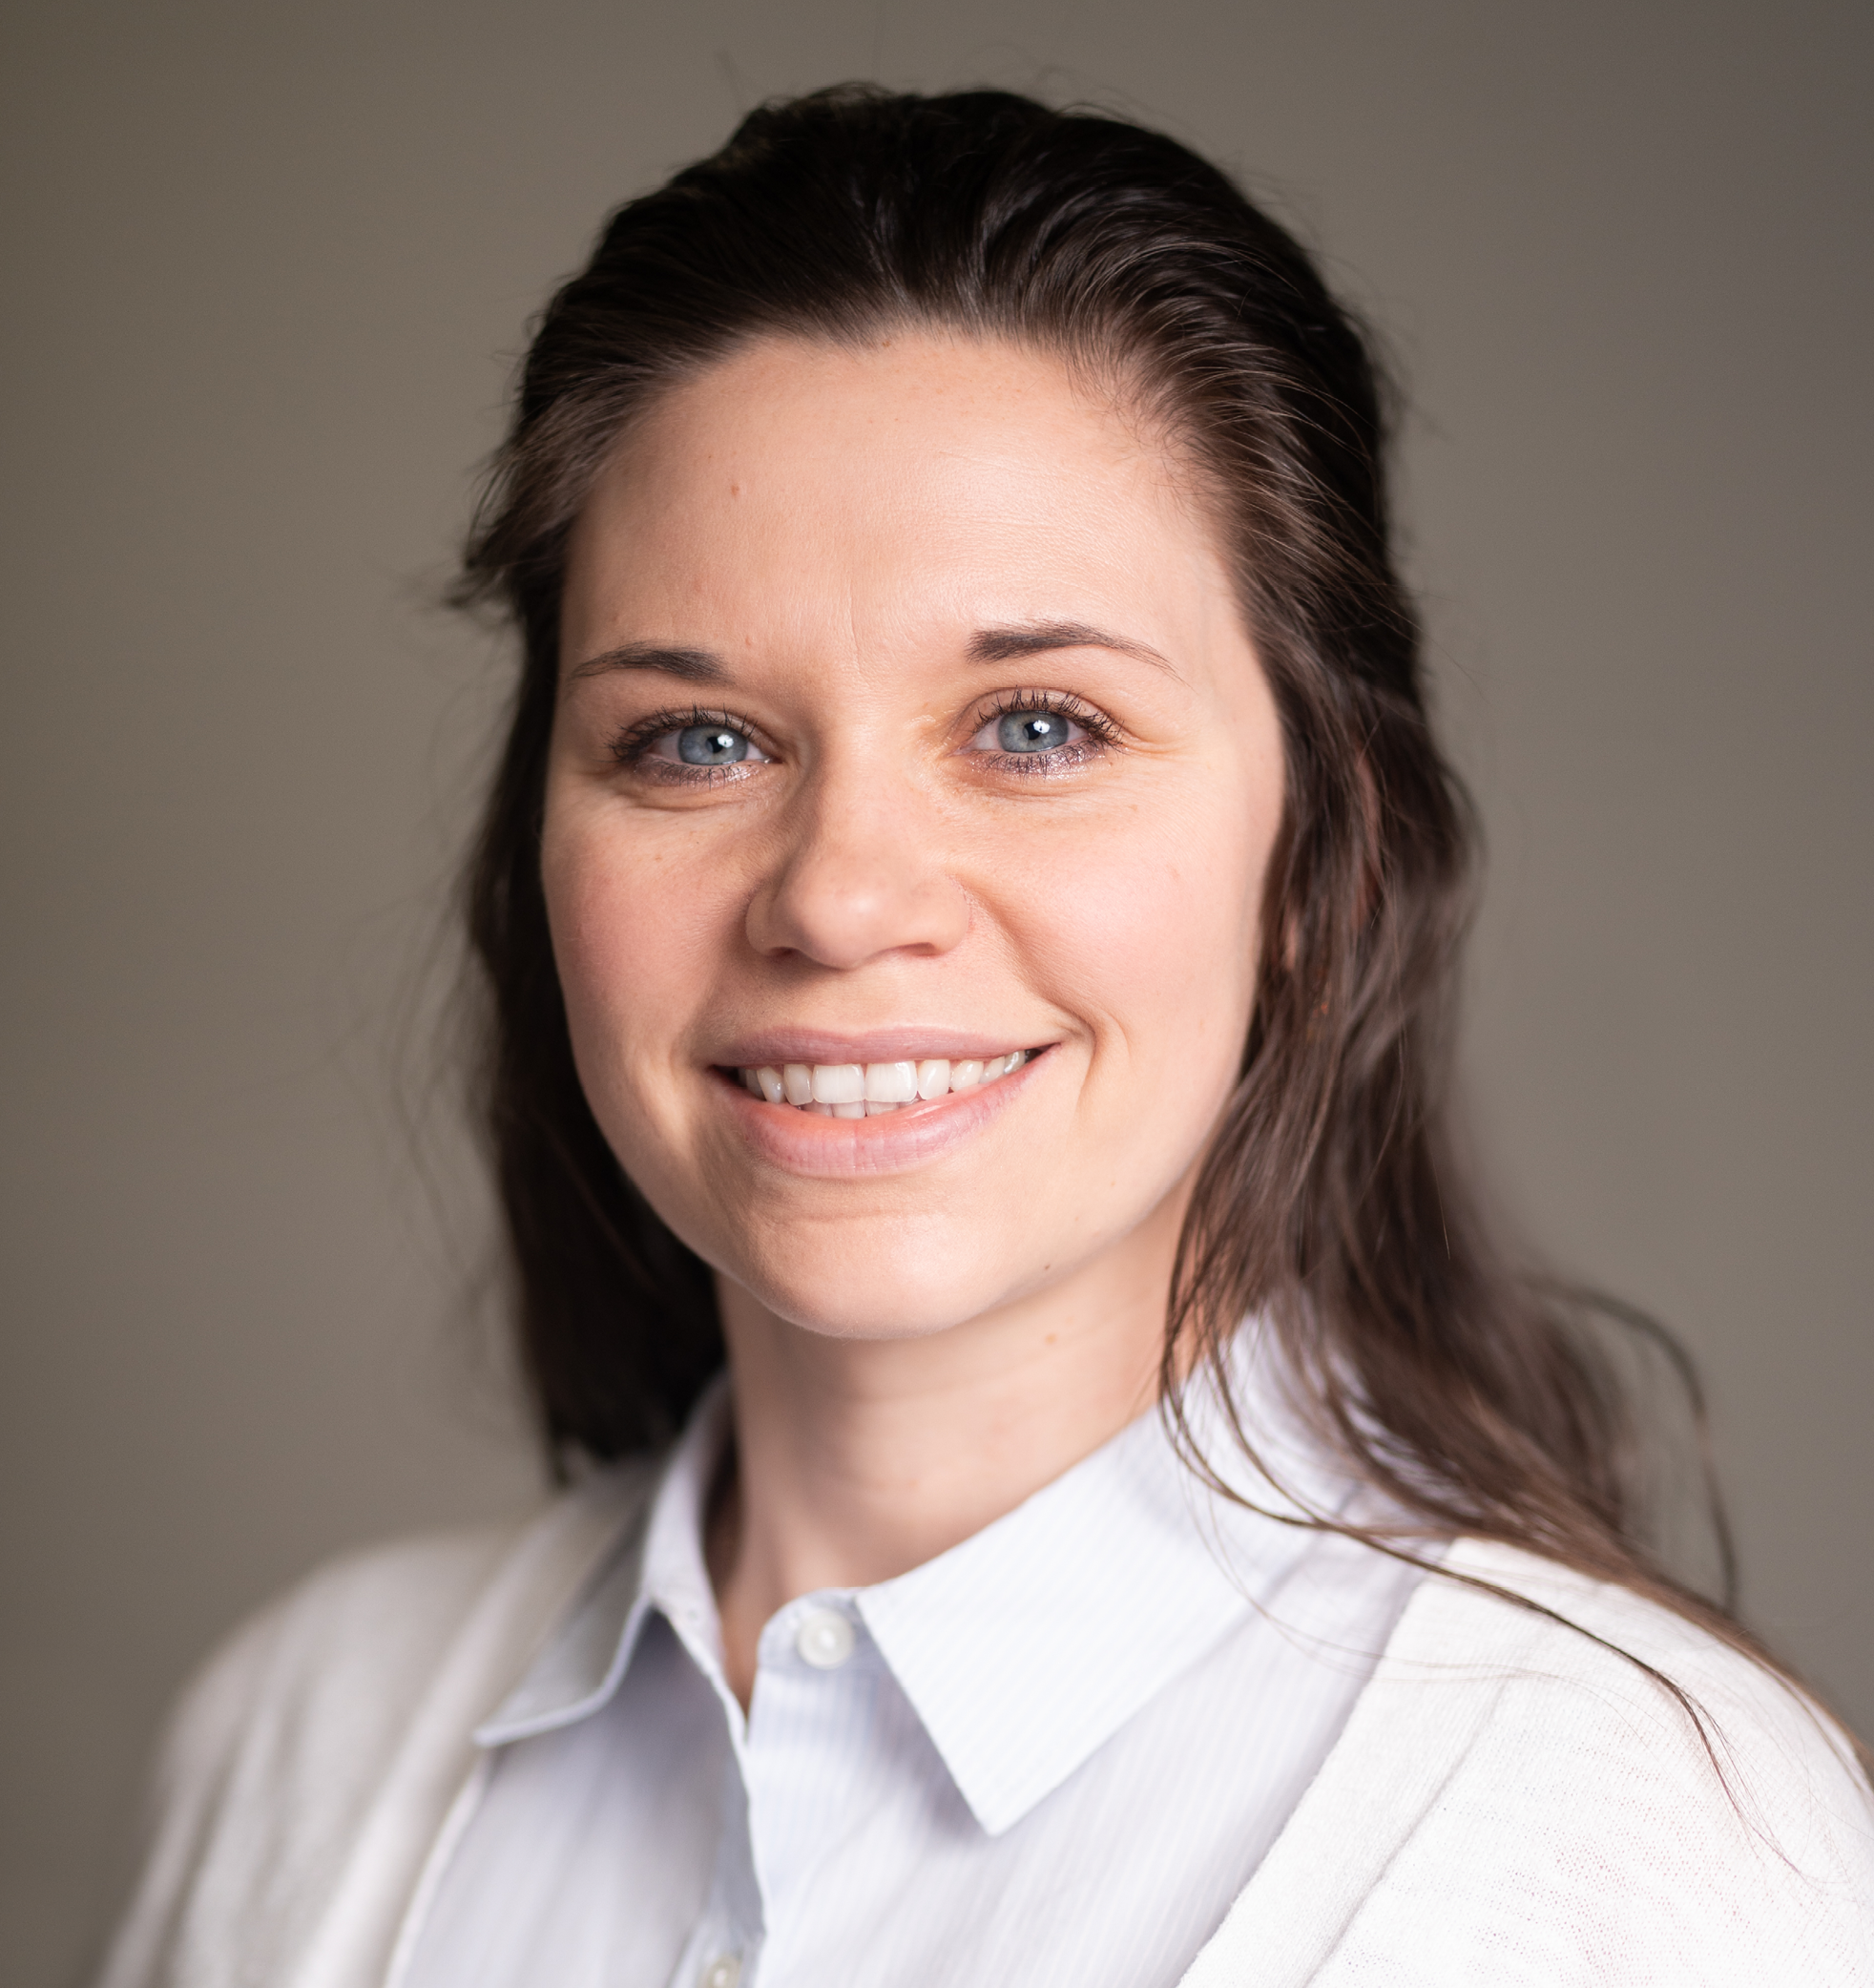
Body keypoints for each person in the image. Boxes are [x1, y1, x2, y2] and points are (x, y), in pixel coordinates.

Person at [95, 86, 1873, 1988]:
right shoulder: (303, 1742)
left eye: (1038, 726)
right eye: (696, 741)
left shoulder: (1634, 1849)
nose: (842, 897)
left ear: (1320, 861)